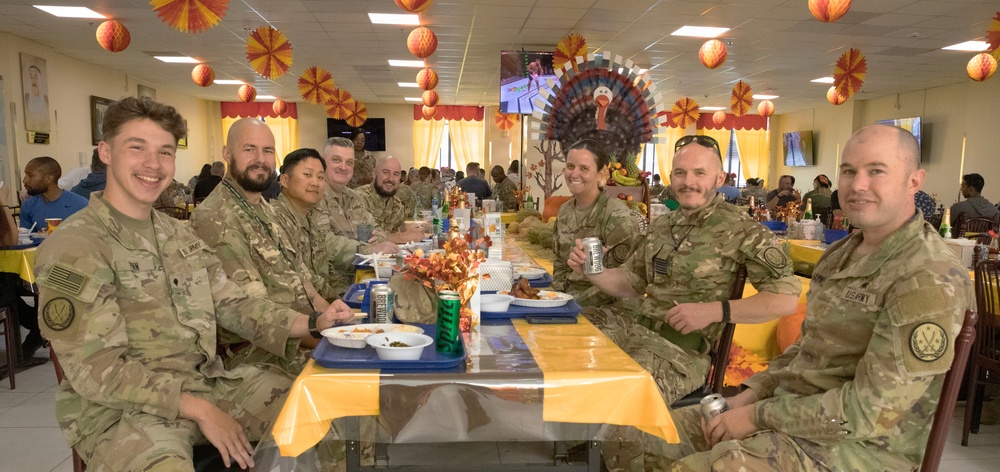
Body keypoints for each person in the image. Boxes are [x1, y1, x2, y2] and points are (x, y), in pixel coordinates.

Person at [33, 96, 355, 472]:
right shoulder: (76, 246)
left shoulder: (177, 234)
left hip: (205, 383)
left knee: (331, 408)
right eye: (137, 148)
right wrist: (198, 409)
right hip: (124, 413)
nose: (153, 164)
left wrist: (314, 322)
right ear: (106, 152)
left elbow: (233, 303)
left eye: (165, 152)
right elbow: (98, 369)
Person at [669, 124, 973, 472]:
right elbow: (806, 348)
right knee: (646, 436)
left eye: (876, 171)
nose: (858, 185)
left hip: (859, 451)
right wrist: (751, 394)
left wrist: (757, 416)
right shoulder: (839, 255)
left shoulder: (927, 277)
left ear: (914, 181)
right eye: (849, 171)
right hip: (792, 416)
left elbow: (867, 412)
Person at [568, 135, 800, 470]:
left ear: (719, 178)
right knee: (566, 348)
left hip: (679, 352)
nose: (688, 181)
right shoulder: (663, 225)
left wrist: (715, 311)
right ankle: (575, 449)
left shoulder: (743, 230)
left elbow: (786, 299)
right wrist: (593, 272)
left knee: (623, 409)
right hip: (633, 332)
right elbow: (630, 283)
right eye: (680, 173)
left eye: (699, 173)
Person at [190, 117, 332, 372]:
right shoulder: (215, 217)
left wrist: (339, 322)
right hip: (261, 352)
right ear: (227, 154)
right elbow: (253, 314)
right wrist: (326, 335)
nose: (260, 159)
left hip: (306, 331)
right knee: (355, 382)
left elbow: (305, 285)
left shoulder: (264, 209)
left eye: (267, 151)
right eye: (249, 149)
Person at [553, 140, 640, 307]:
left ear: (601, 174)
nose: (574, 174)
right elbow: (559, 264)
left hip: (610, 309)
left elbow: (628, 281)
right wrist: (558, 298)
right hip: (570, 301)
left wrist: (573, 304)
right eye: (570, 166)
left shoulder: (617, 216)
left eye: (584, 168)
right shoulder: (564, 211)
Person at [315, 137, 399, 284]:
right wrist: (366, 249)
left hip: (363, 276)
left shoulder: (354, 197)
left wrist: (378, 241)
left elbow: (378, 230)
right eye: (336, 160)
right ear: (323, 163)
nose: (343, 167)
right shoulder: (314, 196)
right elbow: (323, 242)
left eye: (349, 162)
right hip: (332, 285)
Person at [272, 148, 348, 300]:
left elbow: (326, 268)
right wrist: (337, 300)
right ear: (285, 180)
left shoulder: (310, 220)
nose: (315, 183)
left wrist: (346, 294)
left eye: (320, 177)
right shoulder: (275, 220)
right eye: (307, 175)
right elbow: (300, 278)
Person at [19, 156, 88, 230]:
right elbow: (26, 236)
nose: (24, 180)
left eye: (30, 175)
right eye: (25, 175)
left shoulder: (80, 204)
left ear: (48, 179)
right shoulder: (28, 206)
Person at [23, 64, 49, 132]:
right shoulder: (26, 99)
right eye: (31, 77)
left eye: (36, 77)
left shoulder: (45, 99)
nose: (33, 81)